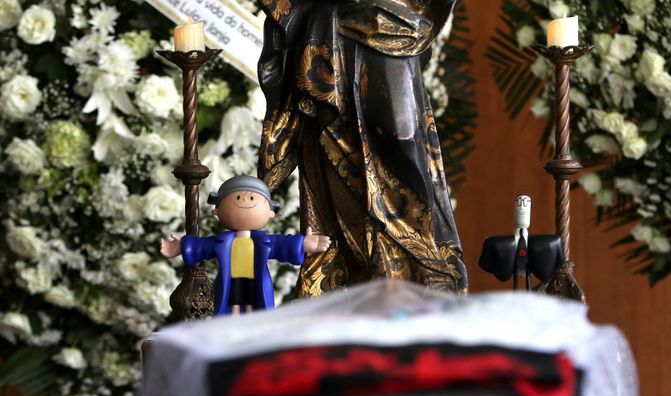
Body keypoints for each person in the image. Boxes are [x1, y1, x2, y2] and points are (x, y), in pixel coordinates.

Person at [256, 0, 468, 297]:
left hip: (398, 23)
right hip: (335, 27)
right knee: (335, 143)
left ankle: (422, 256)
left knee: (403, 136)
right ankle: (364, 268)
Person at [160, 175, 331, 315]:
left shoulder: (263, 242)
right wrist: (182, 246)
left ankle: (251, 323)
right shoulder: (222, 241)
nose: (245, 201)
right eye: (238, 197)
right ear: (216, 211)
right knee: (231, 302)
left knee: (253, 302)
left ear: (270, 212)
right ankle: (232, 323)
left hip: (255, 280)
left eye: (252, 197)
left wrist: (302, 244)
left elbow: (282, 244)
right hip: (230, 280)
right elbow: (202, 246)